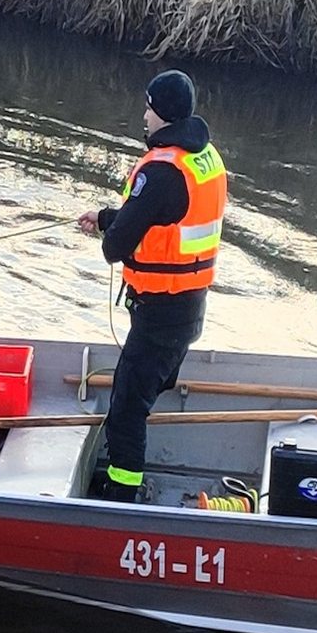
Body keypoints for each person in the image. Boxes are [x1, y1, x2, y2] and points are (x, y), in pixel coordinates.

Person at [77, 69, 227, 502]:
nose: (143, 115)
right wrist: (106, 216)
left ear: (160, 112)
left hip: (161, 311)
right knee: (143, 384)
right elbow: (165, 217)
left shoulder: (161, 172)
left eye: (147, 107)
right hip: (188, 306)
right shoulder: (203, 159)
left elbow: (117, 247)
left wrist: (112, 228)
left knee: (127, 405)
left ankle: (121, 496)